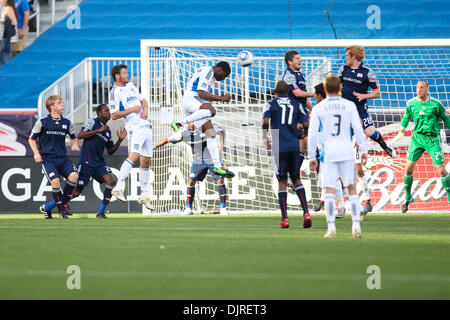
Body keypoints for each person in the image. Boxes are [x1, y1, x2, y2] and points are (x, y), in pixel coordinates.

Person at [39, 104, 127, 219]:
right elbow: (80, 135)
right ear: (99, 113)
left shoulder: (108, 132)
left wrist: (120, 140)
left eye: (109, 111)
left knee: (111, 180)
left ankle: (101, 212)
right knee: (75, 192)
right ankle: (47, 207)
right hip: (86, 162)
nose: (109, 112)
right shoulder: (92, 122)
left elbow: (110, 151)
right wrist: (98, 130)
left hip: (99, 163)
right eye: (106, 110)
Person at [309, 75, 368, 238]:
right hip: (346, 151)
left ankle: (331, 228)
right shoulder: (349, 105)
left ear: (325, 89)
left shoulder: (318, 108)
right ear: (340, 88)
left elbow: (313, 134)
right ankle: (356, 226)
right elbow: (358, 128)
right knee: (352, 189)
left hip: (329, 153)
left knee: (328, 190)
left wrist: (311, 156)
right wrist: (364, 150)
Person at [391, 80, 450, 212]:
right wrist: (400, 134)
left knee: (441, 170)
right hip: (417, 139)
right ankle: (408, 197)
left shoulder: (436, 104)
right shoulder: (411, 103)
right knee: (408, 169)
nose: (419, 90)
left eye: (422, 87)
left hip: (432, 140)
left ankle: (449, 198)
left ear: (427, 89)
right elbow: (406, 117)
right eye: (417, 87)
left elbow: (446, 119)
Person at [170, 61, 234, 179]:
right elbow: (201, 93)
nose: (223, 79)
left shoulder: (202, 70)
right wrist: (222, 98)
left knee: (210, 132)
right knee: (211, 110)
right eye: (224, 75)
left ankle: (217, 166)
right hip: (193, 98)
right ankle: (180, 123)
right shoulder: (209, 71)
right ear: (220, 69)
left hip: (188, 101)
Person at [262, 80, 312, 229]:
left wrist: (265, 137)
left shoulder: (270, 103)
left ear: (276, 91)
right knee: (296, 178)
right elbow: (307, 123)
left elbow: (265, 122)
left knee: (282, 181)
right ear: (288, 91)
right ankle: (306, 213)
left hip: (279, 144)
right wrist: (304, 133)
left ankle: (285, 218)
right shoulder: (297, 104)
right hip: (294, 144)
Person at [155, 123, 229, 216]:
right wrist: (153, 147)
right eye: (191, 121)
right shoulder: (183, 133)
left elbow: (222, 131)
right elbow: (166, 140)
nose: (194, 122)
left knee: (220, 180)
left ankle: (223, 208)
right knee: (191, 182)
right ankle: (189, 208)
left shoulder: (205, 127)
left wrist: (221, 147)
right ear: (188, 123)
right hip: (199, 159)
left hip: (213, 158)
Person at [108, 64, 154, 210]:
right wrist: (132, 110)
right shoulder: (114, 92)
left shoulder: (132, 86)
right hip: (134, 127)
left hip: (146, 125)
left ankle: (144, 195)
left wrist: (145, 108)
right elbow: (114, 115)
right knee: (134, 156)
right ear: (117, 76)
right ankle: (118, 187)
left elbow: (143, 100)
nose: (128, 75)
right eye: (125, 73)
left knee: (146, 161)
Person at [338, 45, 395, 158]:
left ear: (354, 56)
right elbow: (337, 86)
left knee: (369, 132)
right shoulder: (343, 69)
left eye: (347, 56)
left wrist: (364, 96)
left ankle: (385, 146)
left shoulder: (367, 73)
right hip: (344, 109)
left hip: (360, 109)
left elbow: (377, 93)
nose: (345, 58)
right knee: (347, 140)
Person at [28, 95, 80, 219]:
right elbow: (31, 139)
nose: (62, 105)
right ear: (51, 107)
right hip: (48, 159)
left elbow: (75, 136)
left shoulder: (66, 122)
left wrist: (75, 144)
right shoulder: (42, 122)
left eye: (62, 103)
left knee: (74, 176)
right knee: (55, 182)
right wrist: (36, 153)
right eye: (59, 103)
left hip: (63, 158)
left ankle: (52, 207)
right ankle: (62, 211)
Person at [281, 50, 315, 169]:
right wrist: (316, 94)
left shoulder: (299, 74)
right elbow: (298, 93)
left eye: (300, 58)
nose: (300, 60)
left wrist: (314, 110)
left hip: (301, 112)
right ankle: (319, 163)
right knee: (306, 139)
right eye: (297, 58)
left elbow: (304, 98)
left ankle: (293, 172)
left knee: (304, 144)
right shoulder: (289, 76)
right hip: (294, 113)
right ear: (290, 62)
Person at [0, 0, 18, 66]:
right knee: (2, 58)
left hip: (7, 37)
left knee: (5, 59)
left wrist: (2, 21)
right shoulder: (4, 7)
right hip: (4, 36)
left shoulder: (8, 8)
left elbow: (14, 22)